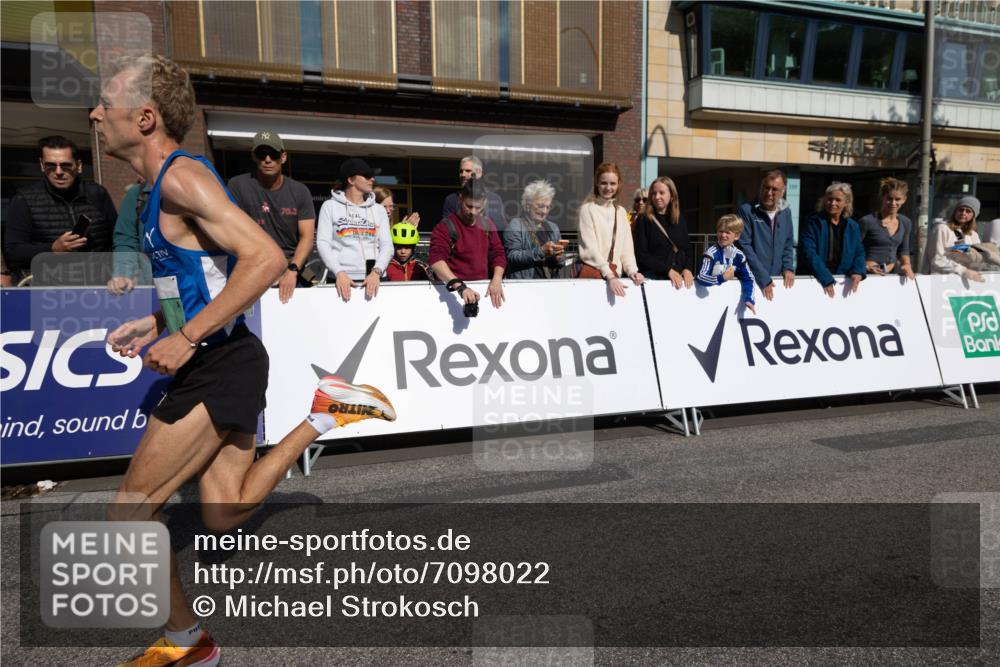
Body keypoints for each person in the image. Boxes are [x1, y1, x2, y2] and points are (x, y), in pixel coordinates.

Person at [91, 54, 395, 667]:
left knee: (127, 513)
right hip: (226, 352)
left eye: (107, 103)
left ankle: (188, 645)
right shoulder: (156, 189)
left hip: (218, 360)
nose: (96, 113)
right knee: (224, 513)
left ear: (146, 117)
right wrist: (157, 322)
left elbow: (261, 258)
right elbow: (207, 276)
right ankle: (325, 414)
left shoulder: (181, 178)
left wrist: (186, 338)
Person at [2, 135, 117, 280]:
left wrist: (120, 272)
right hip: (50, 291)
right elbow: (13, 252)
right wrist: (52, 249)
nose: (58, 172)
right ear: (42, 165)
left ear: (79, 166)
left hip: (100, 286)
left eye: (65, 165)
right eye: (51, 165)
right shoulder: (24, 199)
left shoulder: (97, 194)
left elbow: (118, 239)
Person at [227, 131, 316, 303]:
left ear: (283, 157)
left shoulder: (300, 191)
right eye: (262, 154)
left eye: (273, 154)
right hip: (252, 268)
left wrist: (292, 270)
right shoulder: (237, 185)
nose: (267, 159)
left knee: (313, 296)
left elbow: (307, 238)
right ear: (254, 156)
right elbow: (231, 231)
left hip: (293, 267)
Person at [316, 157, 393, 301]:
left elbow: (387, 245)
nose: (372, 179)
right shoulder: (330, 206)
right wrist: (339, 272)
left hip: (375, 279)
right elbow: (322, 243)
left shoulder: (378, 209)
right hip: (341, 280)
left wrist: (377, 272)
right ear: (351, 180)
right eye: (367, 176)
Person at [428, 176, 507, 309]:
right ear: (460, 199)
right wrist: (460, 287)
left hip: (483, 292)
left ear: (485, 203)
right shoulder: (445, 226)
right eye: (468, 206)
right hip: (453, 294)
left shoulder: (487, 224)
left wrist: (497, 278)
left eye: (478, 208)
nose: (473, 212)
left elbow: (498, 254)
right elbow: (436, 261)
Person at [577, 162, 645, 297]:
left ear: (618, 184)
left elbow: (627, 250)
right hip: (595, 278)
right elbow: (589, 250)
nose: (608, 188)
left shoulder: (620, 212)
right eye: (604, 183)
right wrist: (609, 275)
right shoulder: (587, 209)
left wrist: (633, 271)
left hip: (616, 278)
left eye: (612, 183)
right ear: (597, 183)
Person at [736, 169, 795, 300]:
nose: (769, 193)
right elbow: (744, 246)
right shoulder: (746, 210)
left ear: (782, 192)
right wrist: (763, 277)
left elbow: (788, 244)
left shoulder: (786, 212)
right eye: (766, 187)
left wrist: (788, 267)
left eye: (774, 190)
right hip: (751, 280)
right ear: (761, 187)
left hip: (776, 281)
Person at [800, 182, 866, 298]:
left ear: (846, 203)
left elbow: (859, 252)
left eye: (838, 200)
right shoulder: (813, 222)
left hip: (843, 283)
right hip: (815, 281)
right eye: (829, 199)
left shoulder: (853, 226)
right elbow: (809, 252)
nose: (832, 203)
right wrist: (825, 277)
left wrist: (858, 271)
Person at [633, 176, 695, 289]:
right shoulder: (644, 219)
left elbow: (687, 249)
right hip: (654, 279)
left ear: (672, 195)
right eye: (654, 193)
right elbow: (641, 254)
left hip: (679, 279)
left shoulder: (679, 218)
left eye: (662, 193)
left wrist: (687, 269)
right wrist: (668, 270)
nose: (657, 197)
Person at [503, 179, 565, 279]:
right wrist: (541, 251)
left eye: (548, 207)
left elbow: (562, 262)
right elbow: (512, 257)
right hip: (526, 286)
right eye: (540, 206)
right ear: (528, 205)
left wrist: (558, 258)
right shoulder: (516, 225)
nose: (544, 211)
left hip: (552, 285)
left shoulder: (553, 227)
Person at [696, 214, 756, 314]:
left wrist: (749, 298)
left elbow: (748, 278)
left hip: (730, 308)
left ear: (736, 236)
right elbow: (701, 277)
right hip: (708, 306)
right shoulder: (711, 253)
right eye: (720, 231)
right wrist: (722, 278)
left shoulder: (739, 256)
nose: (723, 235)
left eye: (727, 232)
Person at [858, 177, 915, 280]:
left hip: (890, 275)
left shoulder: (906, 222)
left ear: (904, 200)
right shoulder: (867, 221)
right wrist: (866, 266)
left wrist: (906, 264)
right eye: (889, 199)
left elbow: (904, 249)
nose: (893, 203)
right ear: (882, 198)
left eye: (897, 199)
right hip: (866, 276)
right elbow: (853, 250)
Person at [922, 196, 985, 282]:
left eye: (968, 211)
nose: (963, 213)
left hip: (961, 283)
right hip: (938, 281)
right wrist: (963, 270)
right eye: (960, 209)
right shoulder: (942, 229)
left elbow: (976, 259)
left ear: (973, 216)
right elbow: (936, 259)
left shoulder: (973, 235)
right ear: (955, 211)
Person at [107, 178, 152, 295]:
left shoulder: (197, 188)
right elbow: (126, 239)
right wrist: (123, 274)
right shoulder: (137, 195)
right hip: (151, 288)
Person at [440, 156, 507, 228]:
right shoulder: (451, 200)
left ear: (479, 173)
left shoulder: (494, 199)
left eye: (468, 171)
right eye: (461, 171)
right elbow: (447, 227)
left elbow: (500, 226)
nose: (463, 175)